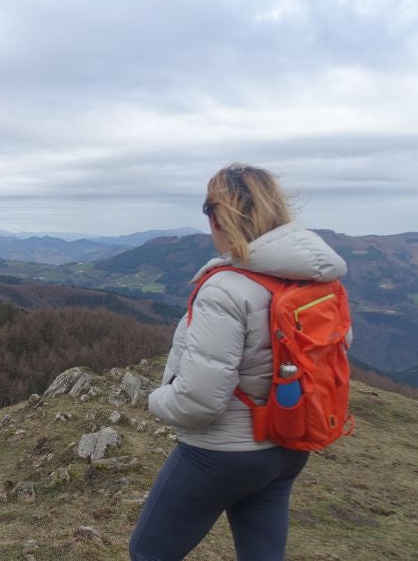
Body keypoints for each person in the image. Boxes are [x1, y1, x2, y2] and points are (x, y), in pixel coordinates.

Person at [128, 164, 349, 561]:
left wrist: (156, 399)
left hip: (220, 454)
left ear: (220, 217)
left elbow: (197, 402)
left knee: (148, 552)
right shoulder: (319, 282)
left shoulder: (226, 289)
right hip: (288, 447)